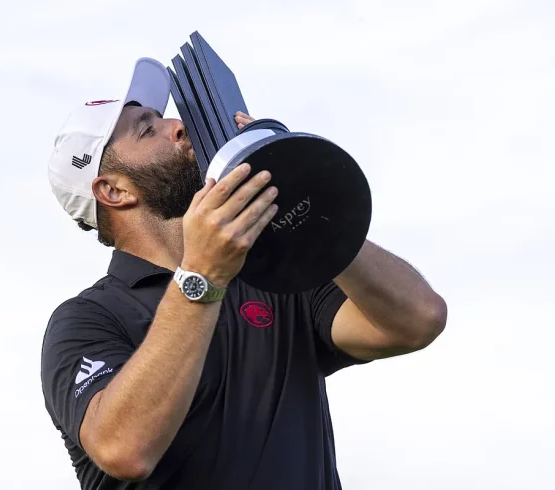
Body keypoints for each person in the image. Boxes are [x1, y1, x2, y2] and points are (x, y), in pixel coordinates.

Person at [41, 57, 448, 490]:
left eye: (162, 117)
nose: (178, 126)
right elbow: (125, 448)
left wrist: (302, 194)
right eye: (147, 130)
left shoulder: (272, 271)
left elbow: (418, 320)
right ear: (113, 190)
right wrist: (202, 277)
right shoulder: (86, 320)